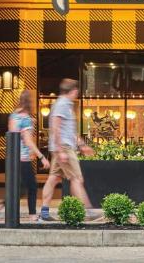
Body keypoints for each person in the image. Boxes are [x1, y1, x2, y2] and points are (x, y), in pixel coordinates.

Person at [38, 78, 99, 222]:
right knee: (77, 178)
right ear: (73, 91)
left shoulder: (65, 104)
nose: (77, 93)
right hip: (63, 147)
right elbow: (55, 127)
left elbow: (68, 129)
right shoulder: (62, 104)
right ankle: (87, 211)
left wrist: (81, 145)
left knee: (54, 178)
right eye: (77, 91)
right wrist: (60, 151)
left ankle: (44, 213)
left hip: (63, 147)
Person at [0, 90, 50, 222]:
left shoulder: (13, 115)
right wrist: (41, 157)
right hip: (23, 158)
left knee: (19, 189)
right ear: (30, 103)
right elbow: (27, 140)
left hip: (13, 158)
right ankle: (32, 216)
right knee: (31, 186)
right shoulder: (25, 118)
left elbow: (13, 135)